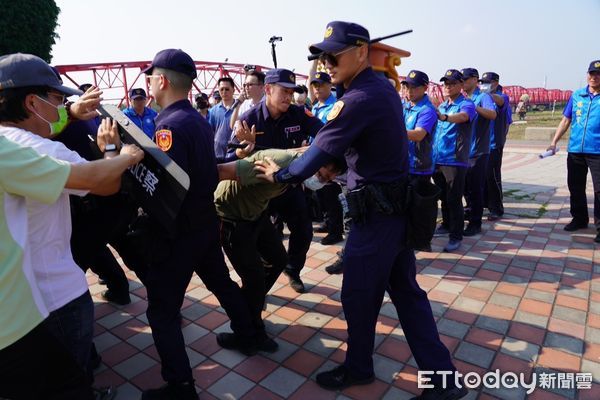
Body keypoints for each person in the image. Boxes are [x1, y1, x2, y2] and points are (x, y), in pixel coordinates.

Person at [254, 21, 466, 399]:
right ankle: (442, 378)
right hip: (394, 211)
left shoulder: (357, 100)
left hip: (376, 219)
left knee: (357, 295)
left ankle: (360, 368)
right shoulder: (380, 90)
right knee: (406, 293)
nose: (326, 64)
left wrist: (278, 174)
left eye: (333, 55)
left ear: (362, 52)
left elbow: (310, 161)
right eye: (322, 57)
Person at [0, 53, 144, 400]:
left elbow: (50, 122)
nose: (63, 106)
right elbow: (104, 183)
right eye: (57, 99)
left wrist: (71, 114)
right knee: (67, 377)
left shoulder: (11, 141)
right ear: (32, 102)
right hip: (56, 293)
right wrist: (119, 153)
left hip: (25, 294)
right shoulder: (38, 149)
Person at [139, 49, 258, 400]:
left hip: (179, 230)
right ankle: (248, 334)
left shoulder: (169, 126)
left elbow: (168, 187)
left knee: (162, 310)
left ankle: (180, 386)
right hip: (206, 221)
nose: (148, 83)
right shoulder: (195, 120)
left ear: (161, 80)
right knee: (221, 282)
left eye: (150, 77)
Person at [215, 148, 346, 352]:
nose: (320, 181)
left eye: (327, 179)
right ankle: (248, 333)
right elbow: (220, 170)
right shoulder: (278, 162)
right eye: (320, 174)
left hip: (256, 214)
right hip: (232, 216)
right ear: (312, 162)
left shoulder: (296, 171)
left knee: (278, 260)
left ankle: (250, 307)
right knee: (254, 278)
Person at [233, 68, 324, 293]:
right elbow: (229, 157)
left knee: (303, 230)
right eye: (283, 91)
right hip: (260, 190)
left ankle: (293, 269)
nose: (288, 96)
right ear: (268, 89)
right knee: (260, 241)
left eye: (291, 91)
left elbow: (325, 134)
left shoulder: (299, 114)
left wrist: (311, 151)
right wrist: (244, 152)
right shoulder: (249, 119)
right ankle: (258, 285)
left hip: (287, 186)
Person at [548, 60, 600, 241]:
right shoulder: (577, 95)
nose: (594, 77)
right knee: (575, 186)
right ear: (587, 75)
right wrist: (554, 141)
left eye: (598, 74)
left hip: (597, 151)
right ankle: (579, 219)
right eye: (591, 73)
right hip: (576, 149)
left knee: (599, 190)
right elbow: (565, 120)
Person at [432, 69, 476, 252]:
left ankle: (456, 236)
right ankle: (447, 224)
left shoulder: (466, 104)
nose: (448, 87)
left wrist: (445, 117)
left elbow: (464, 117)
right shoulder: (442, 105)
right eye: (445, 84)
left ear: (461, 85)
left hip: (455, 160)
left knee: (454, 198)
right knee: (442, 196)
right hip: (438, 158)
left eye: (452, 83)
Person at [461, 68, 496, 237]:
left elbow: (492, 114)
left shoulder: (483, 97)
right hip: (463, 151)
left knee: (475, 188)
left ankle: (475, 223)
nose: (463, 82)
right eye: (461, 80)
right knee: (465, 187)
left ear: (475, 80)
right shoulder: (461, 98)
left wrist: (474, 107)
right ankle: (468, 213)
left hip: (479, 151)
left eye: (466, 79)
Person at [481, 72, 512, 221]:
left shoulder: (501, 97)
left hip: (494, 143)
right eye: (483, 82)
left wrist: (487, 94)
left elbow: (501, 105)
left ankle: (497, 208)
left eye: (488, 82)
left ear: (496, 82)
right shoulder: (482, 97)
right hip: (482, 144)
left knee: (493, 177)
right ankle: (485, 204)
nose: (484, 85)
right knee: (482, 177)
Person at [208, 77, 236, 162]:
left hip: (237, 153)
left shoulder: (240, 108)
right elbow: (210, 132)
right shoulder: (213, 111)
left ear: (233, 90)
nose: (224, 92)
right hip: (218, 154)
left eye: (227, 89)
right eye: (221, 89)